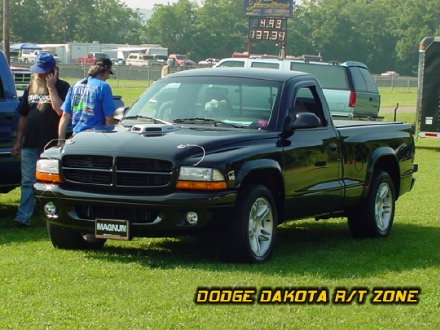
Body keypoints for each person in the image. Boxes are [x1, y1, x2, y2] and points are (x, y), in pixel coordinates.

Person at [10, 53, 70, 228]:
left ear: (52, 71)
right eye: (38, 72)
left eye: (43, 72)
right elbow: (23, 116)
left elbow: (61, 112)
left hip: (50, 144)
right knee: (28, 181)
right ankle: (23, 218)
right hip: (30, 143)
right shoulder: (31, 87)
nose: (39, 75)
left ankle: (54, 217)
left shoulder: (63, 87)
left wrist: (51, 87)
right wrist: (18, 141)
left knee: (52, 182)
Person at [58, 58, 117, 144]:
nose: (108, 77)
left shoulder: (76, 85)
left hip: (76, 136)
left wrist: (60, 141)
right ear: (106, 72)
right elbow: (109, 118)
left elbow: (65, 115)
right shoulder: (103, 86)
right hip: (96, 137)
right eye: (108, 75)